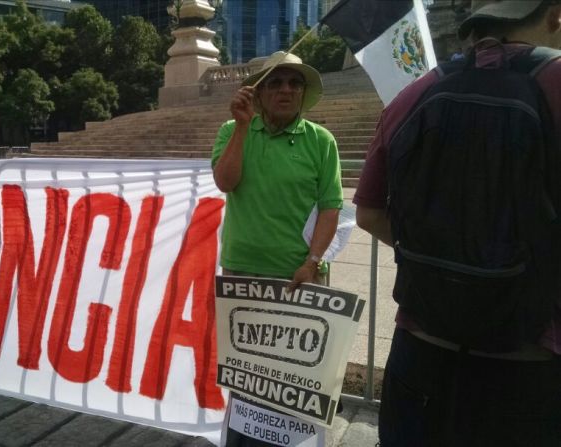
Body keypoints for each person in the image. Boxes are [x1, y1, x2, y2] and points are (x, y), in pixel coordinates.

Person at [354, 1, 561, 445]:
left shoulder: (413, 94)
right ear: (556, 16)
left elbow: (369, 213)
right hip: (530, 362)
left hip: (421, 354)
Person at [212, 51, 343, 445]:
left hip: (298, 278)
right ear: (259, 91)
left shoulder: (321, 141)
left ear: (303, 93)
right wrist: (240, 127)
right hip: (242, 275)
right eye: (276, 82)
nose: (286, 89)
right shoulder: (230, 130)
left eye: (295, 83)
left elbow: (330, 207)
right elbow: (226, 182)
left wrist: (313, 261)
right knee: (245, 376)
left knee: (295, 379)